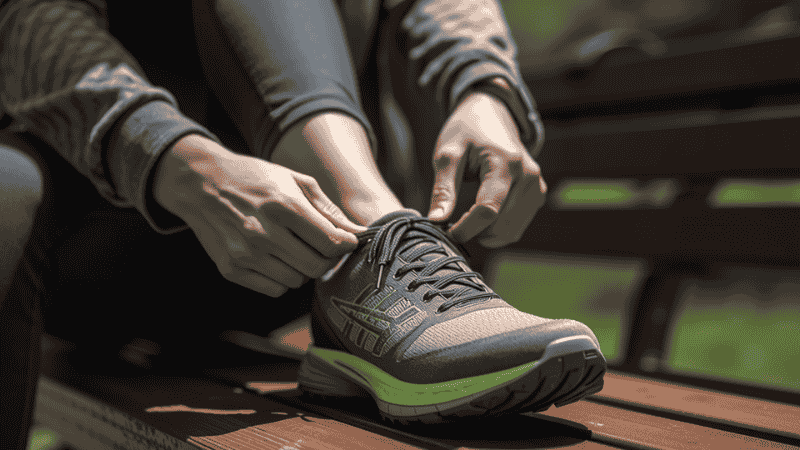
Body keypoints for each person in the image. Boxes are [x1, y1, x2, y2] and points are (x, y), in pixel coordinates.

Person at [0, 0, 606, 447]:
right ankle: (375, 238)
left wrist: (481, 86)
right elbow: (29, 21)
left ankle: (370, 246)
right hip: (111, 241)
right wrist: (173, 159)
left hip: (300, 249)